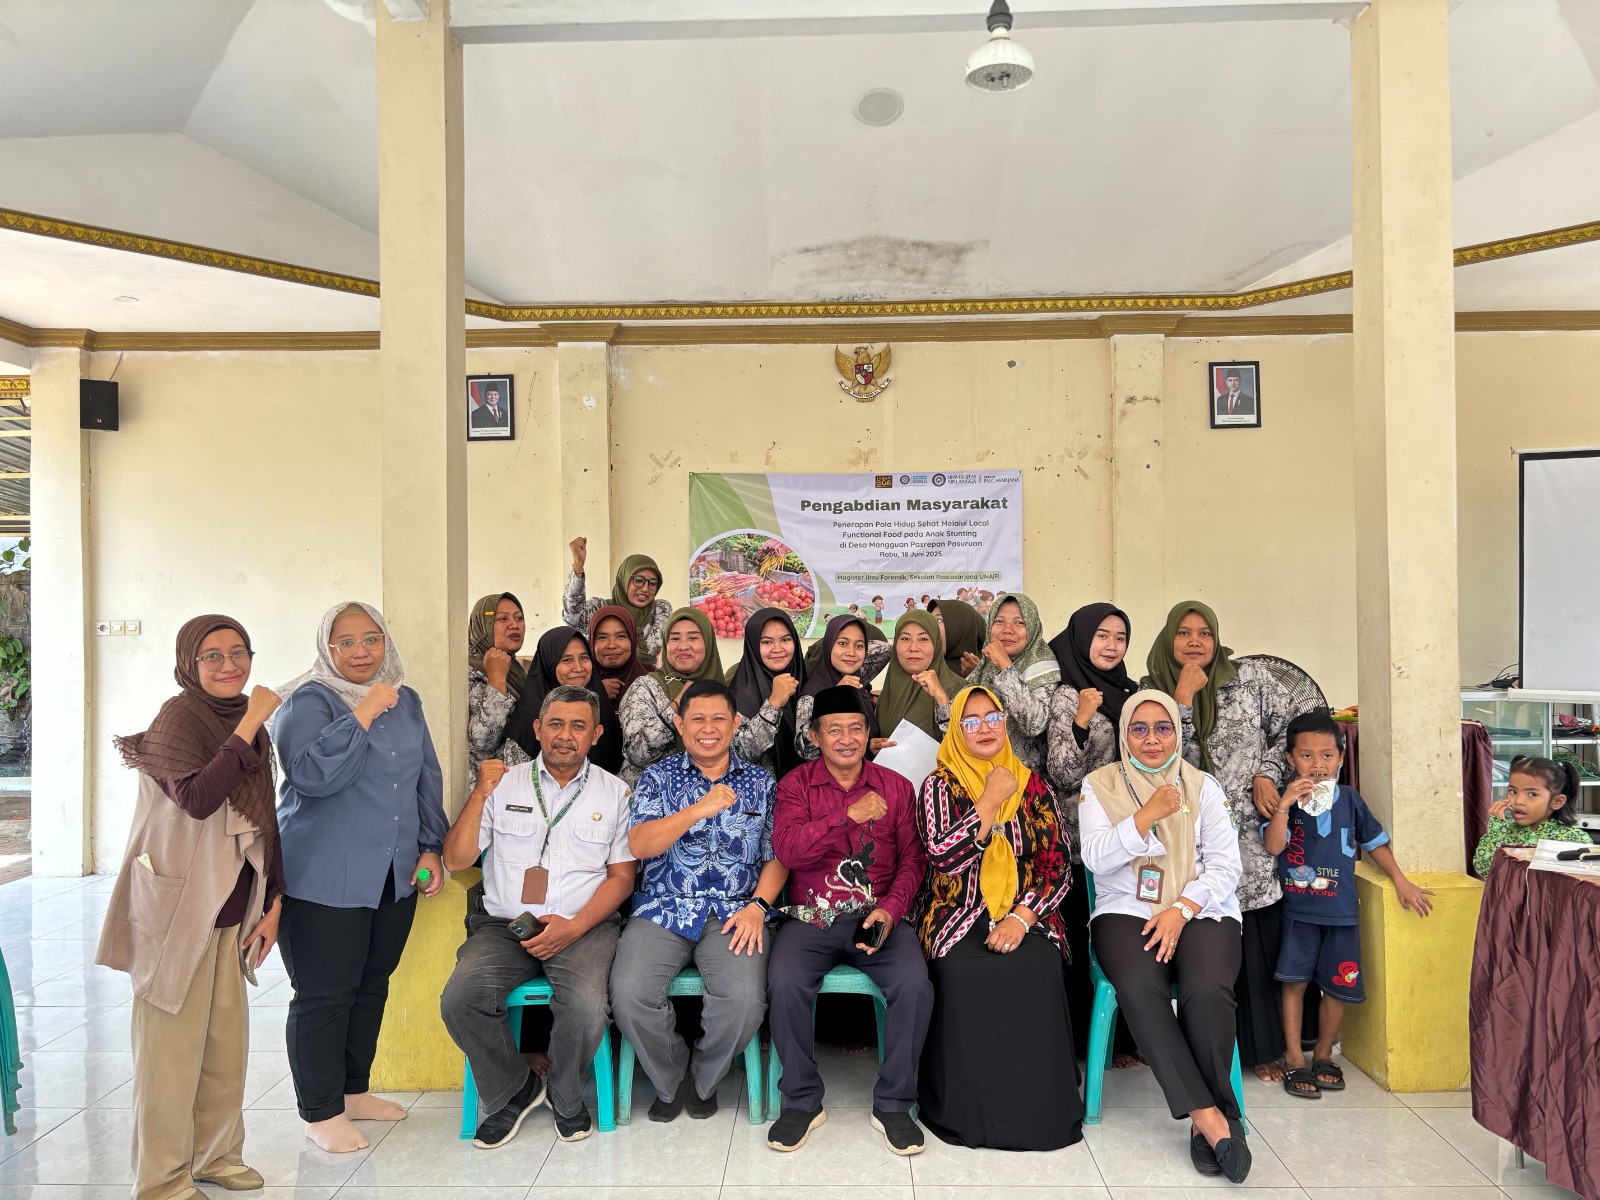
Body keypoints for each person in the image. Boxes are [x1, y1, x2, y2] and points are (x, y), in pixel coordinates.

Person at [99, 615, 284, 1200]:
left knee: (225, 1050)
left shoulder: (246, 728)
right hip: (179, 909)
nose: (229, 666)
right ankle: (160, 1178)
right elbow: (199, 798)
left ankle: (217, 1156)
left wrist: (274, 902)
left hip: (232, 909)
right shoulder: (179, 718)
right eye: (213, 656)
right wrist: (253, 718)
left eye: (238, 652)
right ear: (189, 663)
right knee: (170, 1055)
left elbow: (266, 820)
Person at [271, 602, 449, 1153]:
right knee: (325, 994)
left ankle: (352, 1091)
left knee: (370, 985)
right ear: (327, 647)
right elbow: (312, 777)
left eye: (371, 639)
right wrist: (365, 713)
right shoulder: (304, 701)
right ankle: (319, 1111)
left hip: (392, 874)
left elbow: (425, 775)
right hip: (322, 877)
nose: (360, 652)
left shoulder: (407, 699)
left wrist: (431, 846)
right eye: (345, 642)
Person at [440, 685, 635, 1146]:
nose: (565, 736)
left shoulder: (616, 793)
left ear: (596, 734)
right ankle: (514, 1088)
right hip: (504, 926)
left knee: (587, 1007)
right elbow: (455, 860)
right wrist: (478, 795)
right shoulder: (502, 783)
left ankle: (566, 1094)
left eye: (578, 726)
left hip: (583, 925)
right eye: (555, 724)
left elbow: (622, 879)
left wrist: (576, 926)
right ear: (537, 728)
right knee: (460, 999)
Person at [1080, 691, 1251, 1183]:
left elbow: (1225, 866)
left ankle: (1207, 1120)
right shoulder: (1100, 785)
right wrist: (1147, 814)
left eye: (1163, 728)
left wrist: (1181, 908)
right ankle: (1210, 1117)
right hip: (1126, 908)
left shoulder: (1204, 786)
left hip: (1202, 907)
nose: (1152, 739)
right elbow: (1095, 856)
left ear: (1178, 733)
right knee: (1139, 988)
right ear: (1124, 733)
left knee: (1207, 987)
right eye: (1139, 728)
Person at [610, 679, 786, 1122]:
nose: (708, 729)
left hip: (736, 911)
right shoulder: (657, 777)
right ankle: (671, 1077)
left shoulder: (761, 783)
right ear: (679, 723)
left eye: (718, 719)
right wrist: (697, 810)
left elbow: (777, 856)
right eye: (697, 719)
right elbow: (641, 843)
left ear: (736, 724)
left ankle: (705, 1077)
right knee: (629, 993)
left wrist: (758, 907)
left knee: (745, 998)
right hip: (662, 909)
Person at [767, 687, 933, 1156]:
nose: (846, 739)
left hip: (878, 914)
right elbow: (788, 850)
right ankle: (801, 1101)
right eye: (834, 729)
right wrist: (848, 816)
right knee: (783, 980)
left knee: (914, 985)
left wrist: (891, 909)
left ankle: (895, 1104)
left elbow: (913, 860)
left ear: (868, 734)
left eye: (856, 728)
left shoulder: (896, 787)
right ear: (815, 735)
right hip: (811, 917)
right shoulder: (796, 785)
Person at [915, 686, 1080, 1151]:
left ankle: (1041, 1111)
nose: (984, 728)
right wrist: (988, 802)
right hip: (957, 913)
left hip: (1026, 912)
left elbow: (1057, 863)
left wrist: (1022, 918)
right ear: (955, 731)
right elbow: (944, 860)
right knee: (964, 973)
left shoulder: (1034, 783)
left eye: (992, 717)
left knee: (1038, 967)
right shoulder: (939, 785)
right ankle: (965, 1113)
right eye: (970, 721)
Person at [1143, 600, 1295, 1084]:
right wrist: (1181, 700)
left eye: (1203, 632)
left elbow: (1288, 731)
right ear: (1169, 639)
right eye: (1183, 633)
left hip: (1248, 828)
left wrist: (1267, 774)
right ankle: (1196, 1047)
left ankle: (1262, 1048)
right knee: (1203, 942)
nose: (1193, 642)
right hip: (1183, 836)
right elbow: (1160, 760)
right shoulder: (1152, 691)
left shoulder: (1251, 679)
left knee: (1251, 940)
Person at [1264, 709, 1434, 1099]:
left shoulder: (1349, 800)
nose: (1318, 765)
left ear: (1341, 757)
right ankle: (1294, 1057)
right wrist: (1284, 805)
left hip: (1341, 913)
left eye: (1327, 755)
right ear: (1291, 758)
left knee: (1340, 986)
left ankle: (1323, 1053)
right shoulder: (1284, 801)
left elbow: (1374, 844)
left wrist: (1401, 880)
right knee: (1294, 984)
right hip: (1297, 912)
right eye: (1306, 755)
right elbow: (1274, 846)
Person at [1045, 602, 1139, 1063]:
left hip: (1126, 839)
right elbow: (1061, 772)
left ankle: (1121, 1040)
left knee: (1119, 936)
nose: (1111, 645)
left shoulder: (1133, 692)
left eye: (1119, 637)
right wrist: (1082, 719)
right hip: (1076, 843)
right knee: (1078, 944)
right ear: (1082, 638)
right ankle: (1081, 1043)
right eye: (1101, 635)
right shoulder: (1065, 694)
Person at [503, 626, 623, 775]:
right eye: (567, 660)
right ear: (549, 665)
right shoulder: (528, 720)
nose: (579, 668)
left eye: (584, 658)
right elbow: (518, 783)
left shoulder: (601, 709)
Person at [961, 592, 1060, 773]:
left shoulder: (1043, 664)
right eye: (999, 621)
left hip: (1024, 783)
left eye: (1019, 622)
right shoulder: (985, 665)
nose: (1008, 629)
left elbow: (1033, 724)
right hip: (979, 775)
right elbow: (960, 722)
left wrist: (1006, 667)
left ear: (1032, 627)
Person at [1472, 754, 1591, 878]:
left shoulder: (1573, 838)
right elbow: (1485, 869)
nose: (1518, 801)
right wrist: (1496, 830)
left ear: (1557, 802)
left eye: (1532, 794)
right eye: (1513, 791)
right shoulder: (1502, 832)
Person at [794, 614, 892, 762]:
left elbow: (886, 650)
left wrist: (868, 746)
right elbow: (806, 751)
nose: (851, 653)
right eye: (842, 643)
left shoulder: (858, 686)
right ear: (828, 646)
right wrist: (833, 697)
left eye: (859, 646)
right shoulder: (812, 694)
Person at [725, 606, 808, 778]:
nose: (777, 648)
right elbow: (742, 754)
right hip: (758, 794)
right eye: (767, 642)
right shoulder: (737, 693)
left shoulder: (805, 681)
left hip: (805, 792)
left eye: (785, 639)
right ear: (753, 646)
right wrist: (773, 704)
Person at [564, 537, 672, 665]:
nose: (645, 589)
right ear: (624, 580)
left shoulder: (661, 610)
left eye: (652, 583)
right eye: (638, 580)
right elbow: (573, 618)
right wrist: (578, 566)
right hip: (607, 682)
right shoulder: (601, 609)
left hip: (650, 681)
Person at [466, 593, 528, 778]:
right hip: (487, 787)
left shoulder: (515, 669)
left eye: (519, 618)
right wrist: (496, 679)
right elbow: (483, 743)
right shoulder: (469, 671)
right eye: (502, 618)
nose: (514, 624)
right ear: (482, 625)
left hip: (514, 781)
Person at [881, 610, 967, 742]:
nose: (913, 647)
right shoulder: (888, 691)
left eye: (923, 639)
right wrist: (871, 747)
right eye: (905, 638)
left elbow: (967, 744)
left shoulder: (959, 689)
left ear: (936, 644)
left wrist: (942, 698)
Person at [588, 604, 651, 708]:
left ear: (632, 639)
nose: (612, 645)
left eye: (621, 636)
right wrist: (594, 692)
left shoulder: (653, 679)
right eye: (602, 637)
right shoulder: (578, 679)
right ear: (591, 642)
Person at [927, 597, 983, 678]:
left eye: (939, 620)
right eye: (930, 619)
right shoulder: (920, 669)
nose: (929, 625)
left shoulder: (991, 672)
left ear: (961, 628)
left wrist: (975, 677)